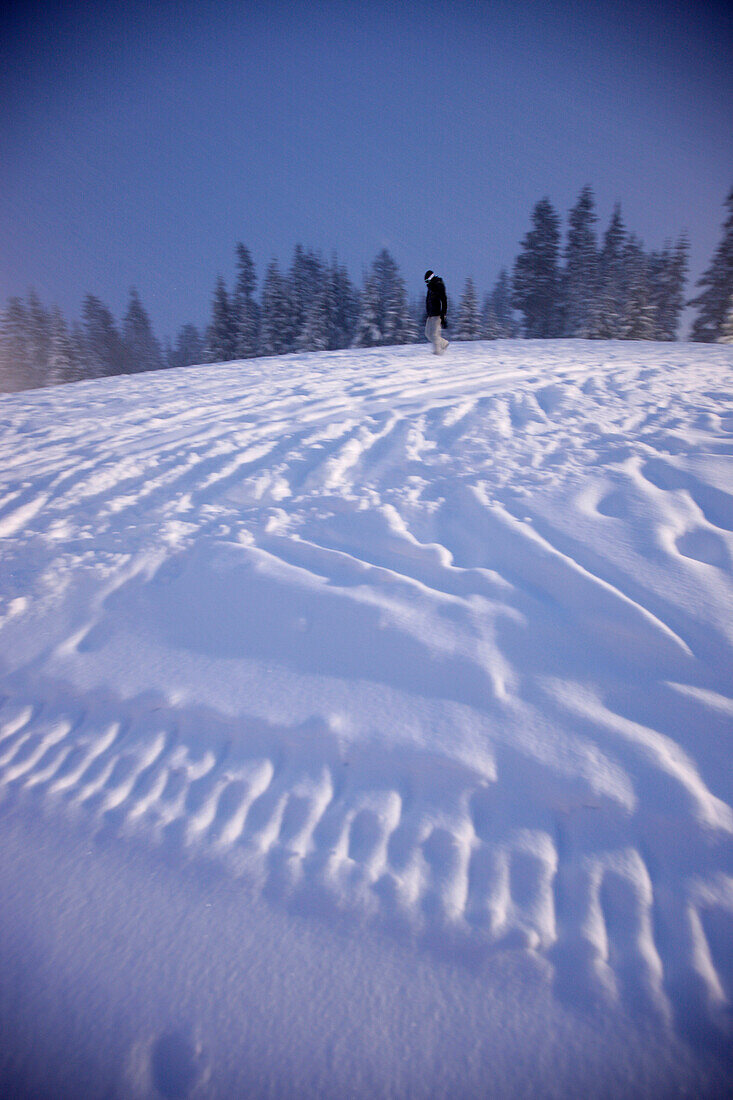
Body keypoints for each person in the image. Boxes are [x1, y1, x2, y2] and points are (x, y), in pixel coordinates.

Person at [424, 270, 449, 355]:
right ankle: (444, 343)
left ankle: (437, 354)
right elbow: (428, 301)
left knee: (434, 335)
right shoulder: (430, 287)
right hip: (430, 314)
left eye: (427, 281)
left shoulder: (439, 285)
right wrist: (427, 313)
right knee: (428, 334)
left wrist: (443, 315)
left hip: (437, 314)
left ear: (431, 278)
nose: (426, 283)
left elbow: (444, 300)